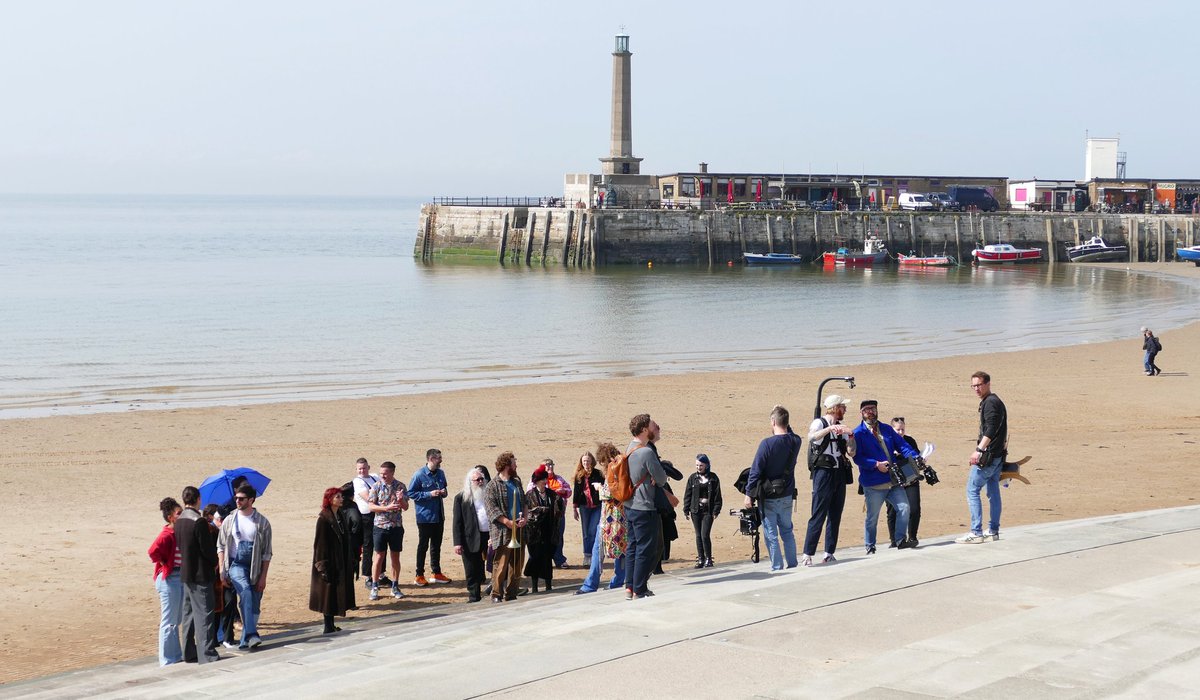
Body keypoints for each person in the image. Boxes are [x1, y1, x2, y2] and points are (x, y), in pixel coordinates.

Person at [852, 400, 919, 554]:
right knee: (872, 517)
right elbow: (858, 458)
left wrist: (916, 456)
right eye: (866, 410)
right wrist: (876, 464)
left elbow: (902, 446)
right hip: (874, 484)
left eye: (873, 409)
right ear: (861, 413)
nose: (870, 412)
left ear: (877, 411)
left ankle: (900, 540)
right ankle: (870, 546)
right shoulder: (858, 433)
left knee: (904, 508)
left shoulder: (887, 429)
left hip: (893, 481)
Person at [744, 405, 803, 571]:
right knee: (787, 531)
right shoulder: (795, 441)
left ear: (773, 421)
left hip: (769, 495)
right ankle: (792, 564)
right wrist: (784, 418)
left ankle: (777, 566)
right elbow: (790, 433)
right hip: (787, 494)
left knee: (771, 534)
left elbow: (755, 471)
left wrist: (749, 494)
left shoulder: (767, 444)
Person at [217, 484, 273, 649]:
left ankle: (246, 639)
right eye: (236, 498)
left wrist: (263, 577)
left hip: (255, 566)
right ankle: (252, 634)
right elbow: (220, 546)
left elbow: (266, 553)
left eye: (241, 498)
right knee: (246, 593)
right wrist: (222, 570)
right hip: (236, 564)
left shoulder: (262, 523)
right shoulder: (229, 520)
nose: (237, 501)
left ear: (251, 500)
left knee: (254, 603)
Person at [804, 395, 857, 566]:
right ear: (835, 408)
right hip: (823, 473)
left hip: (839, 473)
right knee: (818, 513)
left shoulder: (842, 427)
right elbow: (811, 437)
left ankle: (829, 552)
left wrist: (850, 435)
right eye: (843, 406)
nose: (845, 410)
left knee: (835, 514)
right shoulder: (820, 423)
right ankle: (808, 553)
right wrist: (830, 429)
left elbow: (851, 452)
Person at [957, 371, 1007, 544]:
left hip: (989, 456)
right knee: (993, 492)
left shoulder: (991, 403)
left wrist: (978, 450)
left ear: (988, 384)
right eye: (973, 386)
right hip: (997, 455)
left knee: (972, 490)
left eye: (979, 385)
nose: (976, 389)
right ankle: (993, 531)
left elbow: (991, 429)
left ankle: (976, 532)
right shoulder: (991, 401)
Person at [624, 414, 668, 599]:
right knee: (645, 548)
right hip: (644, 505)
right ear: (643, 430)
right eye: (650, 425)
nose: (653, 428)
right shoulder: (646, 452)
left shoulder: (630, 448)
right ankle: (639, 589)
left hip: (629, 504)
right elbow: (661, 478)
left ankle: (629, 586)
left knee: (633, 546)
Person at [575, 442, 627, 594]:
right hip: (616, 517)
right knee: (618, 550)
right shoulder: (622, 466)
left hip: (612, 517)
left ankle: (591, 584)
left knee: (602, 549)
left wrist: (600, 489)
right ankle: (616, 581)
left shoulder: (615, 468)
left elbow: (615, 492)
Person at [176, 486, 219, 663]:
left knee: (188, 615)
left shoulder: (179, 521)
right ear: (198, 499)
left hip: (186, 573)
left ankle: (188, 651)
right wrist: (215, 562)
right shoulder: (198, 521)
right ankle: (206, 653)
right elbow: (207, 550)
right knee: (204, 615)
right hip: (201, 573)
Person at [310, 487, 356, 634]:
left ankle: (331, 625)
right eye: (337, 497)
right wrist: (322, 566)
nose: (341, 499)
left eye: (341, 496)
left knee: (334, 593)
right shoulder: (323, 519)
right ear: (330, 500)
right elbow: (320, 544)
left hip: (340, 560)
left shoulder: (339, 515)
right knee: (328, 594)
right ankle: (327, 626)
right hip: (329, 561)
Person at [483, 451, 527, 602]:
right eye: (514, 463)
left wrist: (525, 518)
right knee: (501, 564)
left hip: (519, 528)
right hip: (503, 530)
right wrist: (507, 522)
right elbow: (491, 509)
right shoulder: (492, 486)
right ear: (507, 465)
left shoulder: (516, 482)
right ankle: (496, 593)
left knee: (517, 564)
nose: (516, 465)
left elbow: (524, 502)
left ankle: (512, 593)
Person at [148, 496, 183, 666]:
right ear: (171, 517)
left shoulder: (179, 532)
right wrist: (164, 562)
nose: (182, 515)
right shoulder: (166, 534)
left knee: (176, 620)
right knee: (169, 620)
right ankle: (167, 660)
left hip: (179, 577)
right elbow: (153, 552)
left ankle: (175, 655)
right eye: (179, 513)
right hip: (169, 579)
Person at [409, 449, 451, 586]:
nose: (441, 460)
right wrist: (429, 494)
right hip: (425, 517)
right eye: (439, 458)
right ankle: (419, 575)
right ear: (431, 459)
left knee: (436, 545)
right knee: (423, 546)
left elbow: (445, 490)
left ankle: (436, 573)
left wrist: (443, 492)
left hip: (439, 516)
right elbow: (411, 493)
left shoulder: (441, 473)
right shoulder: (419, 475)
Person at [367, 461, 408, 600]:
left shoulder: (400, 486)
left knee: (395, 557)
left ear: (392, 472)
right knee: (379, 556)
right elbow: (371, 506)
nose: (382, 476)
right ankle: (374, 586)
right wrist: (386, 508)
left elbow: (406, 507)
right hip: (380, 527)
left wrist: (401, 500)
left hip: (396, 527)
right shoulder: (376, 486)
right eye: (381, 473)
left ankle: (395, 586)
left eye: (385, 473)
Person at [523, 465, 564, 593]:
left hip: (548, 531)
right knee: (535, 557)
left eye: (545, 480)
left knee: (547, 559)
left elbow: (559, 509)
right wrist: (538, 512)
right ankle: (534, 586)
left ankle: (548, 585)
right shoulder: (529, 495)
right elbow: (527, 513)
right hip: (534, 533)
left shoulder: (552, 495)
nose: (544, 482)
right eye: (541, 480)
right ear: (536, 481)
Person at [452, 467, 490, 602]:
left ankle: (496, 589)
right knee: (471, 568)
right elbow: (457, 523)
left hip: (489, 536)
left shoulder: (489, 495)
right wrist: (457, 542)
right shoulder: (461, 498)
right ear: (470, 482)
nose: (480, 482)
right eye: (477, 480)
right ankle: (474, 595)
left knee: (489, 566)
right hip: (470, 538)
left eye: (482, 479)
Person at [886, 417, 923, 547]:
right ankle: (894, 540)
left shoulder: (909, 441)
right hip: (894, 479)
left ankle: (912, 536)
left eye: (902, 429)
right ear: (892, 430)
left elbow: (917, 457)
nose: (900, 432)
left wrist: (921, 459)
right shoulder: (887, 442)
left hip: (910, 476)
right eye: (898, 430)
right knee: (893, 511)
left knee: (914, 508)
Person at [683, 454, 722, 568]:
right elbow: (688, 495)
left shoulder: (713, 478)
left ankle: (709, 558)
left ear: (706, 465)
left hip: (708, 510)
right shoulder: (692, 478)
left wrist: (716, 510)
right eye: (697, 465)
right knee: (698, 535)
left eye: (701, 465)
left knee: (705, 534)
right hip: (695, 510)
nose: (699, 467)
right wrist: (686, 509)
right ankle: (701, 558)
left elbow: (717, 496)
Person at [571, 451, 604, 565]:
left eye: (588, 461)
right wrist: (574, 508)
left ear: (592, 462)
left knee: (593, 530)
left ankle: (594, 555)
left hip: (596, 506)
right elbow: (576, 492)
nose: (586, 463)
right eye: (584, 461)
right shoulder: (579, 475)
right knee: (586, 532)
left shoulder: (598, 474)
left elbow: (603, 488)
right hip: (584, 506)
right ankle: (587, 556)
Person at [351, 458, 379, 585]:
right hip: (367, 517)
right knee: (368, 545)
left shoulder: (374, 477)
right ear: (356, 469)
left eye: (364, 468)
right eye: (359, 468)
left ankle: (380, 574)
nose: (362, 470)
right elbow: (369, 498)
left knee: (381, 545)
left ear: (369, 467)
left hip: (379, 513)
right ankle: (367, 576)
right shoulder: (358, 481)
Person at [542, 459, 572, 568]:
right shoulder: (538, 479)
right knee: (545, 537)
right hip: (545, 514)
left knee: (558, 536)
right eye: (547, 465)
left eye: (551, 465)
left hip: (559, 513)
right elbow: (531, 491)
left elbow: (569, 490)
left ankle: (559, 559)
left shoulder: (559, 479)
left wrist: (563, 491)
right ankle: (545, 560)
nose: (549, 467)